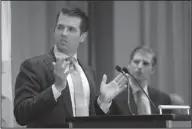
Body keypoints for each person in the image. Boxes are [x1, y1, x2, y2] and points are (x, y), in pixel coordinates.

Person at [13, 8, 127, 128]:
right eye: (60, 27)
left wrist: (103, 101)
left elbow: (89, 118)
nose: (64, 33)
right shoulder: (34, 66)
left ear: (82, 37)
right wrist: (56, 89)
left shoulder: (88, 71)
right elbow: (21, 115)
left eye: (71, 29)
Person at [99, 45, 172, 115]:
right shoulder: (116, 97)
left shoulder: (163, 99)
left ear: (152, 69)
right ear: (129, 64)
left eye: (145, 63)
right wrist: (105, 101)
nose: (140, 66)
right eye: (136, 62)